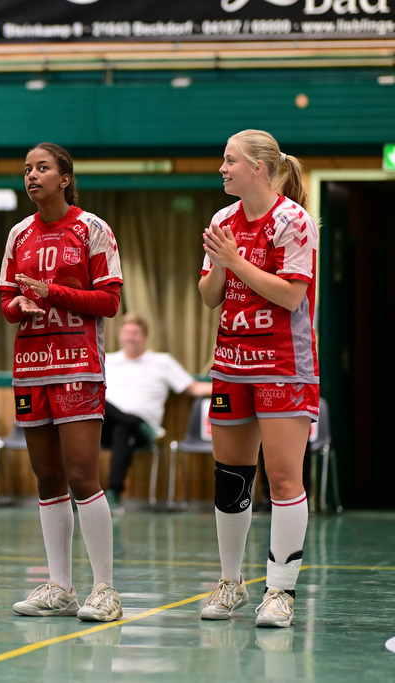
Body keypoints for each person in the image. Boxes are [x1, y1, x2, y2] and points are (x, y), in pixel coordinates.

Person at [0, 142, 124, 622]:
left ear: (65, 178)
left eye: (42, 168)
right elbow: (7, 300)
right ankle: (61, 586)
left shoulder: (92, 229)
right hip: (31, 367)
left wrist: (54, 293)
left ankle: (106, 589)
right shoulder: (18, 234)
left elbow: (109, 301)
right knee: (47, 477)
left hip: (78, 365)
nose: (32, 175)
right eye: (27, 168)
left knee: (80, 476)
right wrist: (20, 306)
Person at [198, 129, 319, 629]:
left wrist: (235, 262)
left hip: (283, 364)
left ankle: (280, 592)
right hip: (232, 362)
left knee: (285, 478)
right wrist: (221, 267)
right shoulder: (222, 219)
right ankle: (231, 584)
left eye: (230, 161)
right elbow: (209, 296)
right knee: (232, 478)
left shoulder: (294, 220)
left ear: (260, 168)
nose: (222, 168)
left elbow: (290, 297)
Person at [102, 312, 212, 507]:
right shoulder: (107, 360)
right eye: (127, 332)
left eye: (135, 333)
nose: (130, 337)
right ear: (120, 335)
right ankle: (138, 424)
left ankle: (113, 495)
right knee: (99, 399)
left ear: (145, 336)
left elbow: (193, 388)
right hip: (103, 425)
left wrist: (234, 388)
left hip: (134, 433)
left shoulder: (162, 362)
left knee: (123, 429)